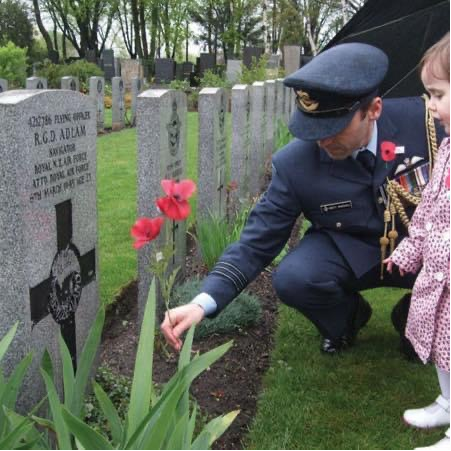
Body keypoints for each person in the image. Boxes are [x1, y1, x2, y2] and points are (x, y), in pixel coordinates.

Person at [161, 42, 444, 356]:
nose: (322, 139)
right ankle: (347, 319)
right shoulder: (296, 162)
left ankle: (414, 319)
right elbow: (256, 242)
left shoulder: (429, 123)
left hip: (424, 250)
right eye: (312, 128)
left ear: (374, 109)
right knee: (296, 277)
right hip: (348, 252)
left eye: (334, 127)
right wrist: (202, 303)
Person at [386, 32, 450, 451]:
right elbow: (427, 205)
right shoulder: (446, 150)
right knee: (445, 345)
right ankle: (448, 400)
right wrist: (409, 250)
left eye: (439, 94)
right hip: (439, 275)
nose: (430, 106)